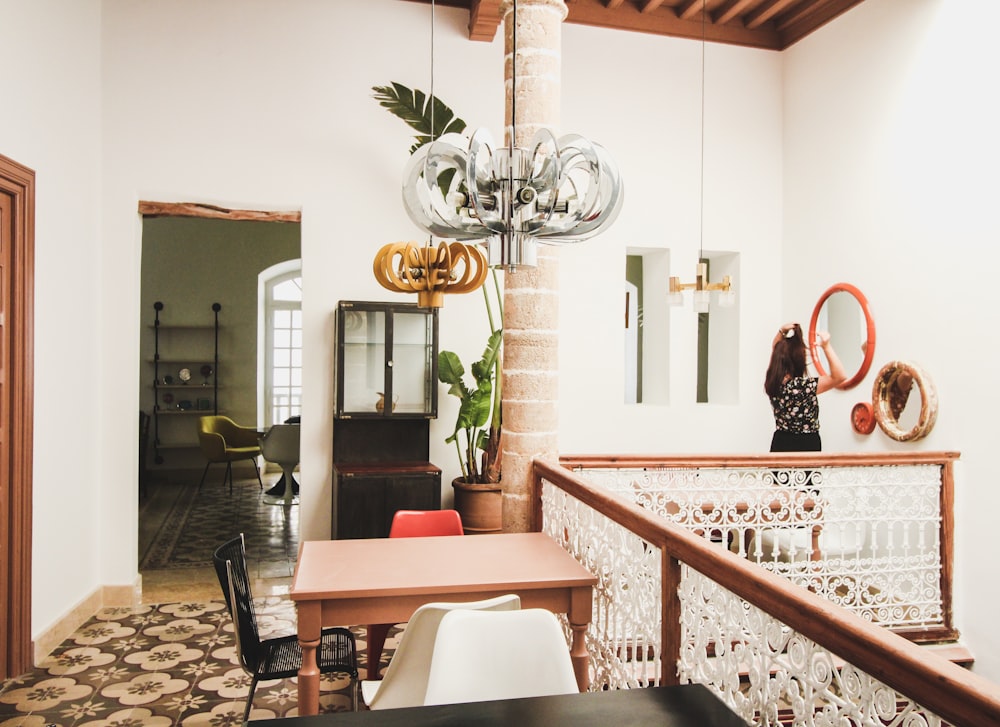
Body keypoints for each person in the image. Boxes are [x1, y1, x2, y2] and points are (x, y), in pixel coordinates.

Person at [764, 322, 846, 452]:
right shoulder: (801, 387)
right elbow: (840, 376)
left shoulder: (773, 382)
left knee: (780, 473)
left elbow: (776, 349)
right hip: (806, 444)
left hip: (780, 442)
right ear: (797, 361)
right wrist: (827, 346)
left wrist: (781, 331)